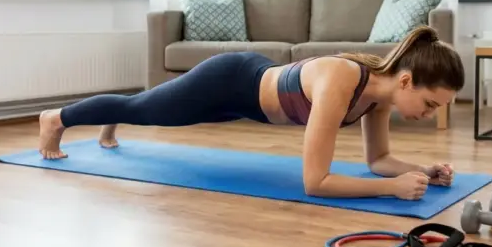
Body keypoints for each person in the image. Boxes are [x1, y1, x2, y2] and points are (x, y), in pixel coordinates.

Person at [37, 25, 465, 200]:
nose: (428, 115)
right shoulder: (342, 80)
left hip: (251, 100)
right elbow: (315, 182)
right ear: (406, 80)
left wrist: (420, 168)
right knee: (145, 108)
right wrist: (390, 189)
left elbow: (378, 161)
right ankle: (55, 118)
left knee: (147, 107)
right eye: (430, 104)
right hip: (229, 81)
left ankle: (121, 112)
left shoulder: (380, 97)